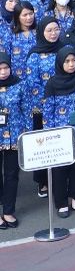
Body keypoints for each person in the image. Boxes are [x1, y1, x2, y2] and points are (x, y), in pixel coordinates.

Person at [42, 44, 75, 217]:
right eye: (67, 61)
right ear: (60, 63)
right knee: (60, 170)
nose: (71, 64)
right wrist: (49, 135)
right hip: (59, 135)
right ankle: (61, 203)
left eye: (74, 60)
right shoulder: (52, 83)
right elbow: (48, 111)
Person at [0, 51, 29, 227]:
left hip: (14, 136)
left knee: (11, 175)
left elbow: (26, 110)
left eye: (5, 68)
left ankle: (9, 211)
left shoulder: (19, 85)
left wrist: (27, 134)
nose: (3, 72)